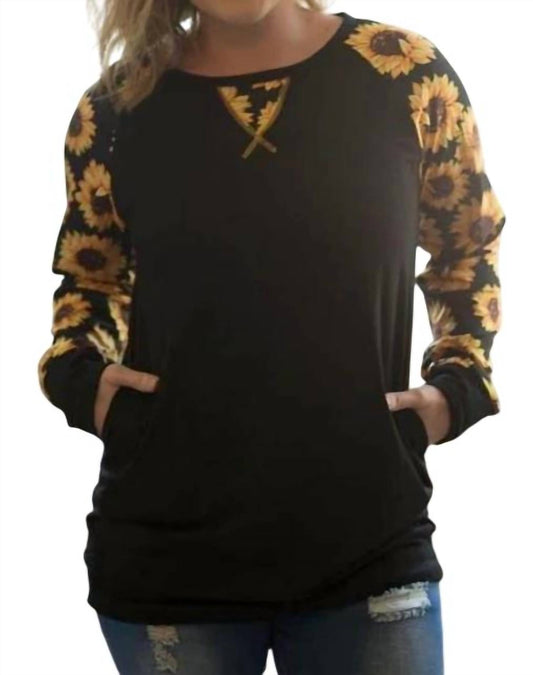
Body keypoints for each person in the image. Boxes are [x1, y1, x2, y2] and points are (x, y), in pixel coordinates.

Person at [37, 0, 506, 673]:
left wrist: (455, 388)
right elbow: (93, 277)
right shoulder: (115, 111)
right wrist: (84, 383)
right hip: (168, 557)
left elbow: (466, 244)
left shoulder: (404, 74)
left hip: (369, 540)